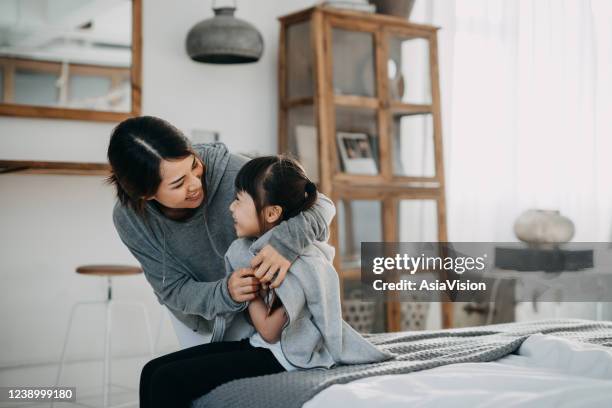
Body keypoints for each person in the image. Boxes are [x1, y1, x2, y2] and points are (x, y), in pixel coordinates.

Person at [138, 156, 394, 408]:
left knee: (166, 379)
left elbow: (270, 331)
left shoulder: (289, 263)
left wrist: (248, 293)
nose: (231, 208)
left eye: (238, 200)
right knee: (151, 370)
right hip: (263, 347)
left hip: (285, 357)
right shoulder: (257, 249)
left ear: (271, 212)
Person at [107, 116, 336, 348]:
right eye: (178, 184)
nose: (195, 183)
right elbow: (173, 289)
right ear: (145, 195)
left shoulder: (234, 171)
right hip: (203, 319)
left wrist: (284, 245)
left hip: (267, 310)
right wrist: (226, 292)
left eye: (194, 165)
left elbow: (322, 205)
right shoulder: (130, 219)